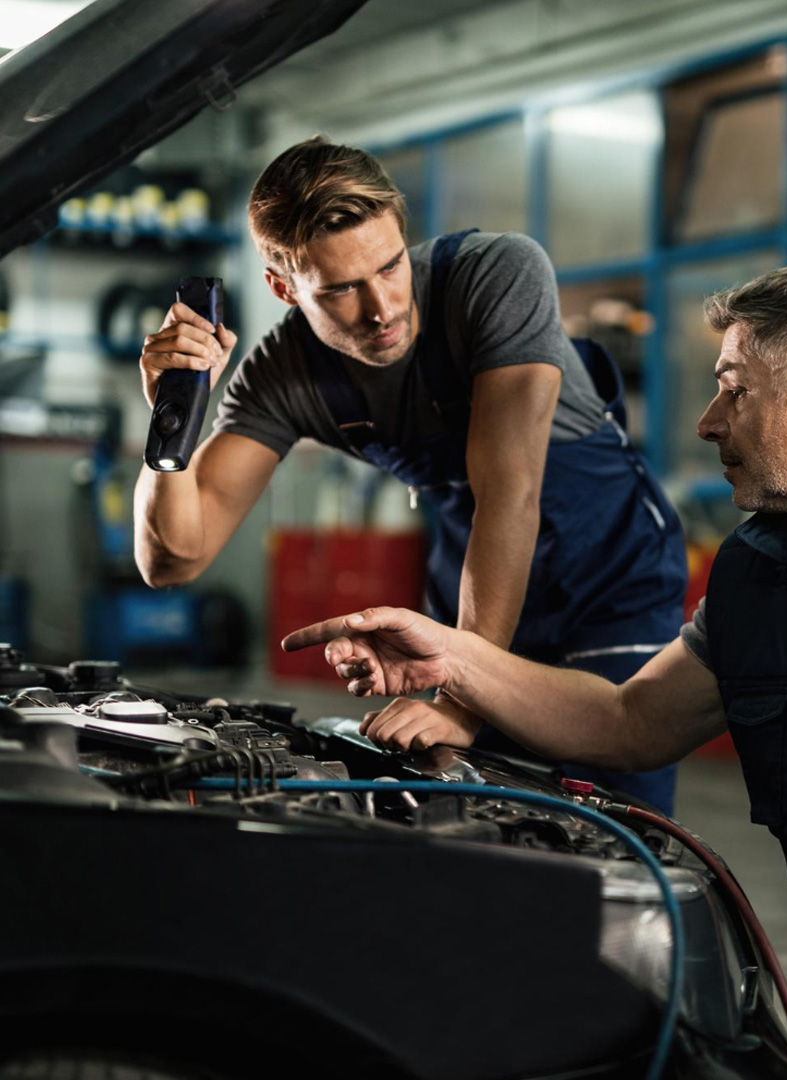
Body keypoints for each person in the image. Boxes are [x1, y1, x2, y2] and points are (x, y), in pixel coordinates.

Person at [282, 260, 787, 1080]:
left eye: (734, 389)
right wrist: (453, 655)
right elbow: (627, 722)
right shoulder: (758, 575)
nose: (707, 420)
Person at [134, 136, 686, 814]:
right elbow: (174, 560)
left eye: (391, 266)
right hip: (472, 599)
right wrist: (171, 415)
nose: (382, 307)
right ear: (283, 288)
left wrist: (461, 694)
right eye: (339, 289)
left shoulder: (494, 276)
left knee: (612, 823)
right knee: (480, 820)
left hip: (608, 586)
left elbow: (509, 495)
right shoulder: (283, 375)